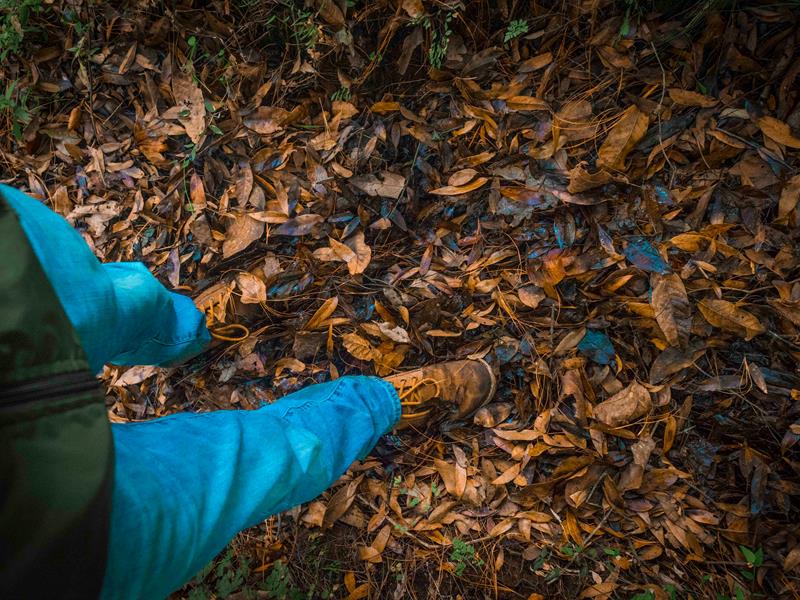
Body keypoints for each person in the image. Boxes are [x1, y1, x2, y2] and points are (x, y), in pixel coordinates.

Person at [0, 184, 497, 599]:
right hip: (47, 541)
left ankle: (188, 331)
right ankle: (381, 402)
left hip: (11, 276)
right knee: (255, 461)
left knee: (101, 300)